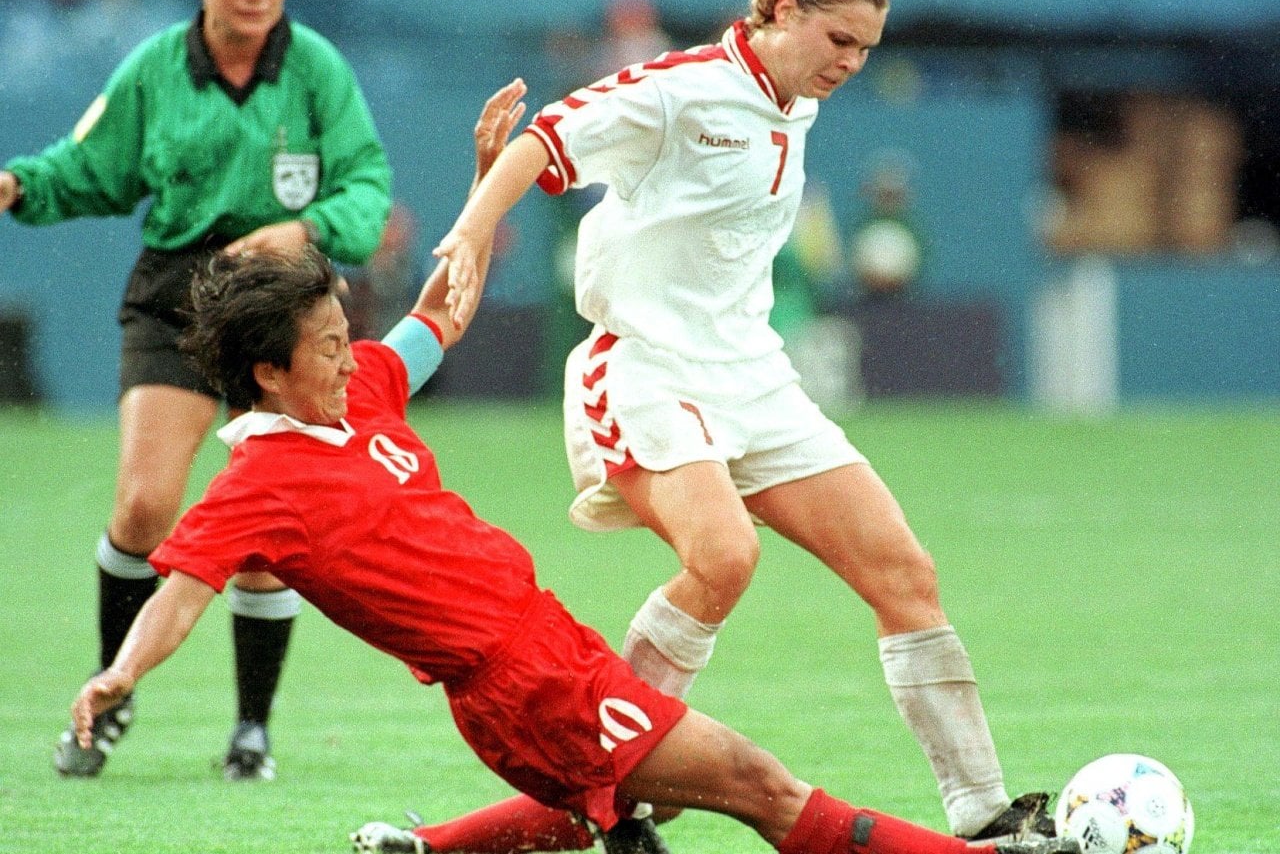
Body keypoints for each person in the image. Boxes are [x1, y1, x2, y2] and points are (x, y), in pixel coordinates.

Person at [67, 233, 1079, 854]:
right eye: (327, 345)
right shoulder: (258, 482)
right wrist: (122, 673)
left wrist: (480, 199)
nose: (348, 355)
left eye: (343, 335)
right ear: (266, 370)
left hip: (551, 645)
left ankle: (424, 847)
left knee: (656, 796)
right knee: (761, 788)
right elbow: (183, 589)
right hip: (518, 687)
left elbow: (430, 323)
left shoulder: (359, 394)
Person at [431, 0, 1053, 842]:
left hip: (752, 376)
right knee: (723, 557)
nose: (849, 62)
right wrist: (469, 233)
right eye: (839, 38)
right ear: (785, 11)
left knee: (905, 576)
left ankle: (984, 815)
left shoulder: (792, 100)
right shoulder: (681, 87)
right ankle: (609, 776)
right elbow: (546, 137)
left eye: (867, 50)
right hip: (644, 364)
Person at [0, 0, 392, 780]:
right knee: (144, 506)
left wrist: (306, 227)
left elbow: (366, 186)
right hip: (179, 289)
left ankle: (252, 728)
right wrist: (18, 185)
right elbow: (90, 169)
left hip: (283, 301)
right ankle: (110, 697)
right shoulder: (154, 68)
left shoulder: (318, 69)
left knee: (259, 531)